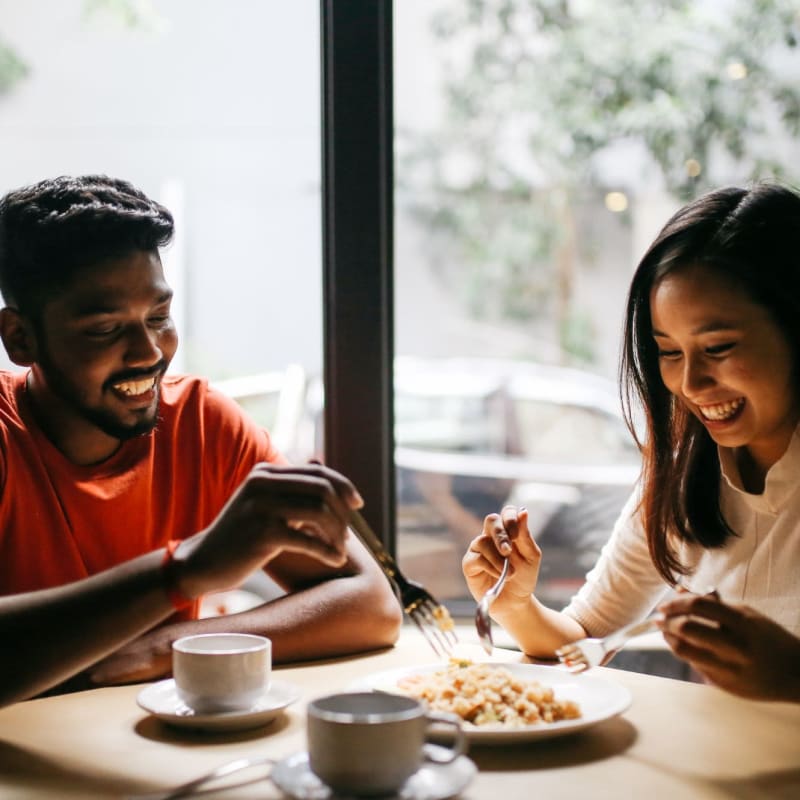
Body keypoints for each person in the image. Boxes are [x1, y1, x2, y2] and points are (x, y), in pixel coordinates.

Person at [0, 174, 402, 707]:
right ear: (21, 339)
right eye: (104, 329)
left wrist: (159, 649)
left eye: (159, 317)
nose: (148, 352)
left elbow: (372, 606)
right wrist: (185, 570)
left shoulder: (201, 424)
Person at [463, 182, 800, 703]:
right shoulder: (686, 471)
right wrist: (515, 605)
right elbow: (584, 637)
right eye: (668, 352)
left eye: (719, 347)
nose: (690, 383)